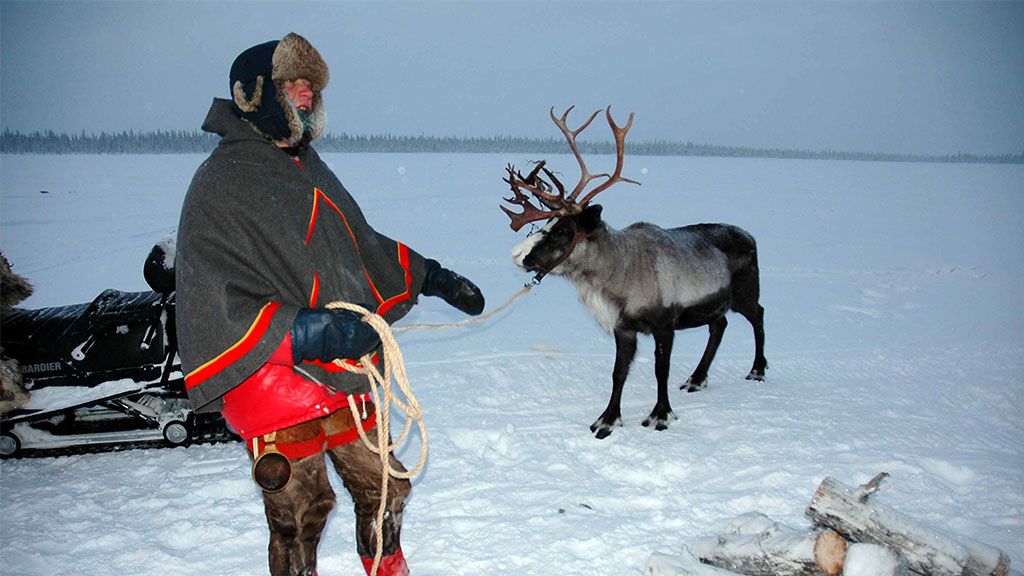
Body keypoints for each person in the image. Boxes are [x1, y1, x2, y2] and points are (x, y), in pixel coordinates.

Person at [175, 32, 484, 576]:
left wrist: (427, 274)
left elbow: (355, 242)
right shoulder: (221, 179)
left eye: (309, 85)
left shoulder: (305, 164)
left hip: (343, 373)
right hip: (272, 380)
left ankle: (387, 568)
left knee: (385, 486)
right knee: (300, 515)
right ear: (254, 94)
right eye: (291, 83)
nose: (303, 94)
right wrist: (303, 332)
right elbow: (211, 291)